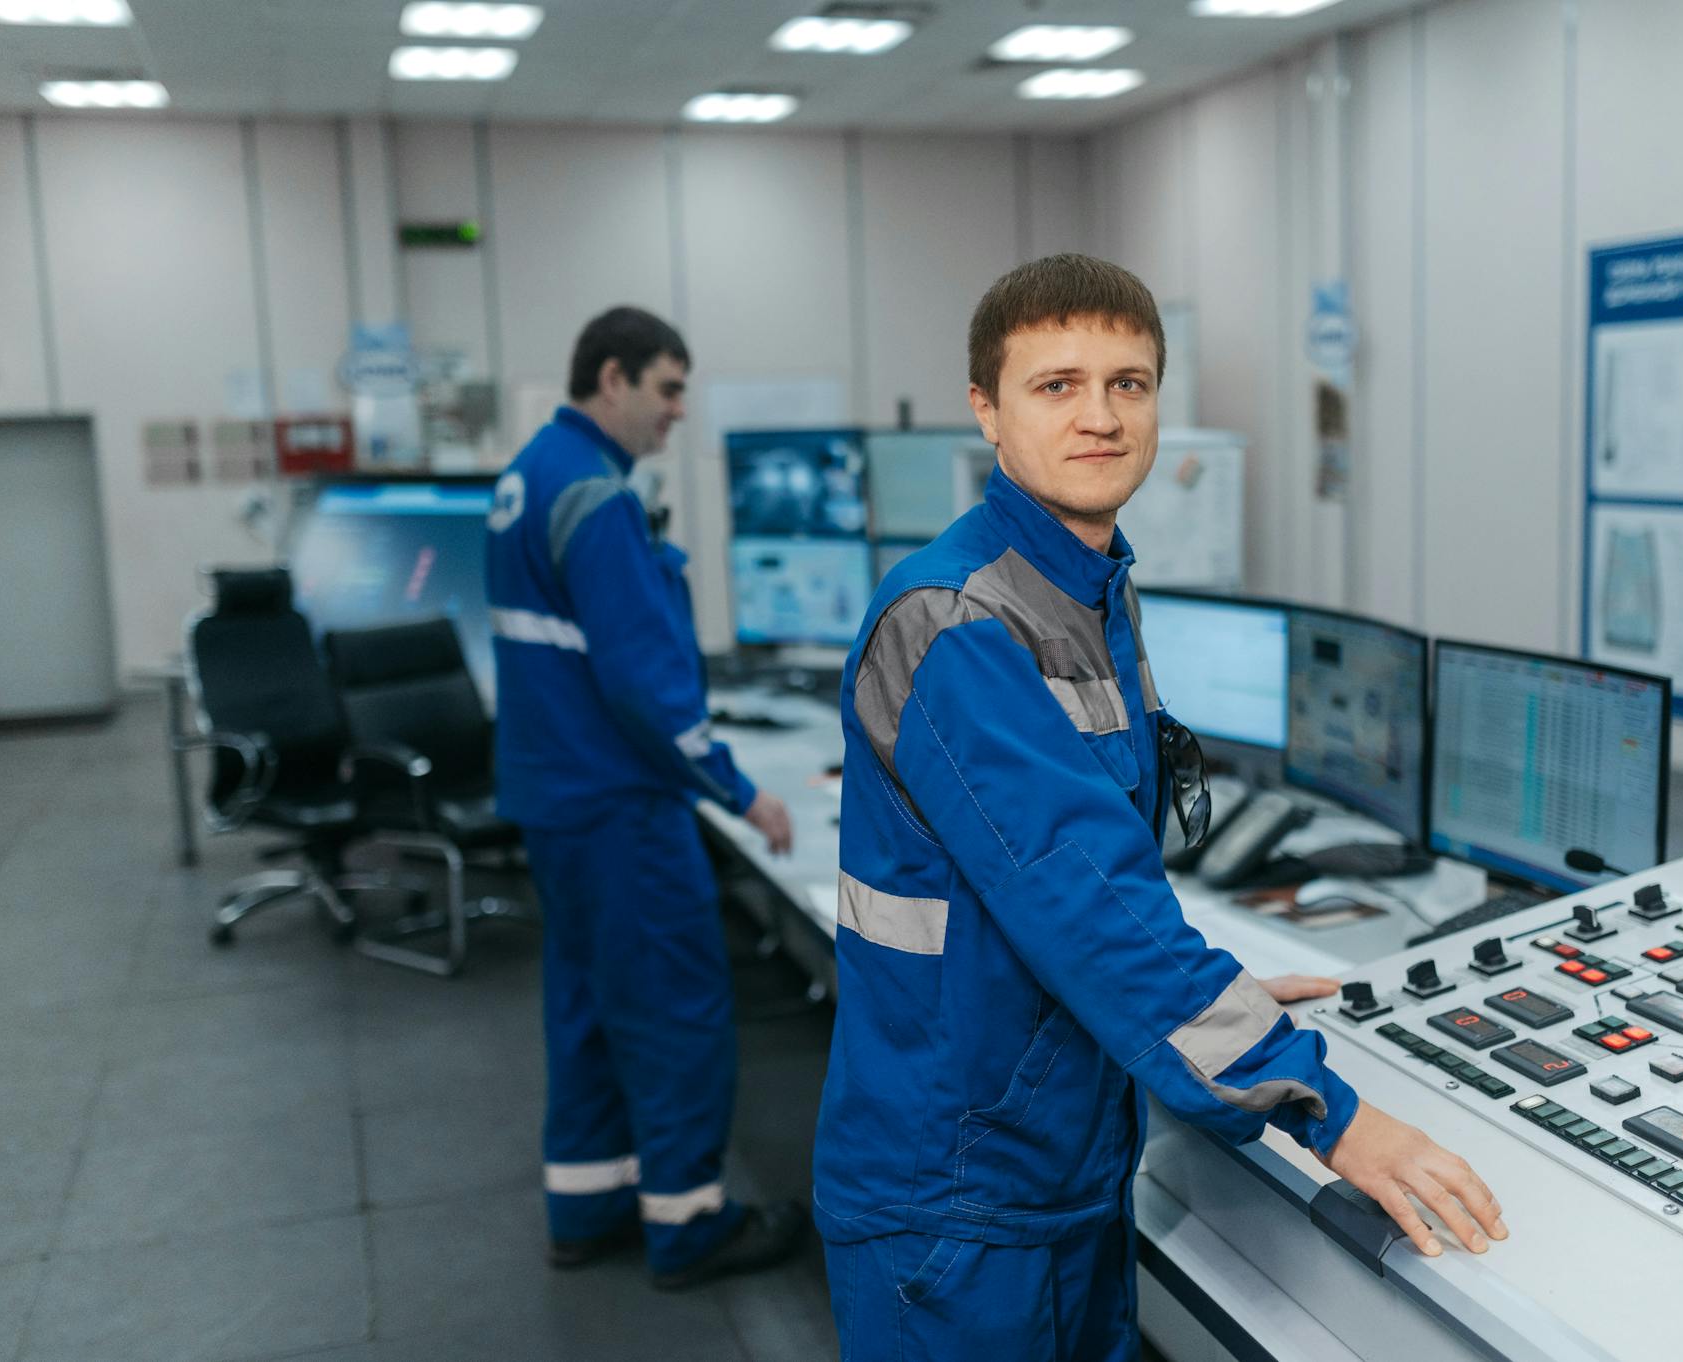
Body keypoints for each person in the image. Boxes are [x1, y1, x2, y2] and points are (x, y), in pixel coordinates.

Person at [814, 255, 1506, 1358]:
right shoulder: (958, 622)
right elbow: (1085, 908)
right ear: (984, 409)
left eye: (1127, 384)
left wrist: (1215, 1003)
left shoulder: (1087, 589)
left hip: (1057, 1149)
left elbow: (1097, 883)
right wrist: (1329, 1110)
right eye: (1057, 385)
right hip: (959, 1191)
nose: (1099, 415)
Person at [485, 305, 806, 1287]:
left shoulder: (525, 475)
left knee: (586, 1001)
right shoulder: (596, 498)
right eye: (667, 389)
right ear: (612, 378)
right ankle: (689, 1222)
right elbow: (642, 680)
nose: (676, 412)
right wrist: (739, 791)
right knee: (674, 1008)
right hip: (620, 807)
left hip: (553, 801)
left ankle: (585, 1207)